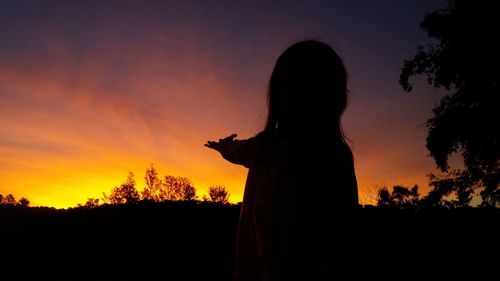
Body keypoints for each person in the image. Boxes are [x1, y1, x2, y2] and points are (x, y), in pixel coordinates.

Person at [205, 40, 359, 281]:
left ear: (330, 96)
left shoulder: (332, 156)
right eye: (292, 84)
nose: (301, 94)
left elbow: (340, 236)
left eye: (312, 84)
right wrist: (224, 147)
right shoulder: (264, 147)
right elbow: (238, 151)